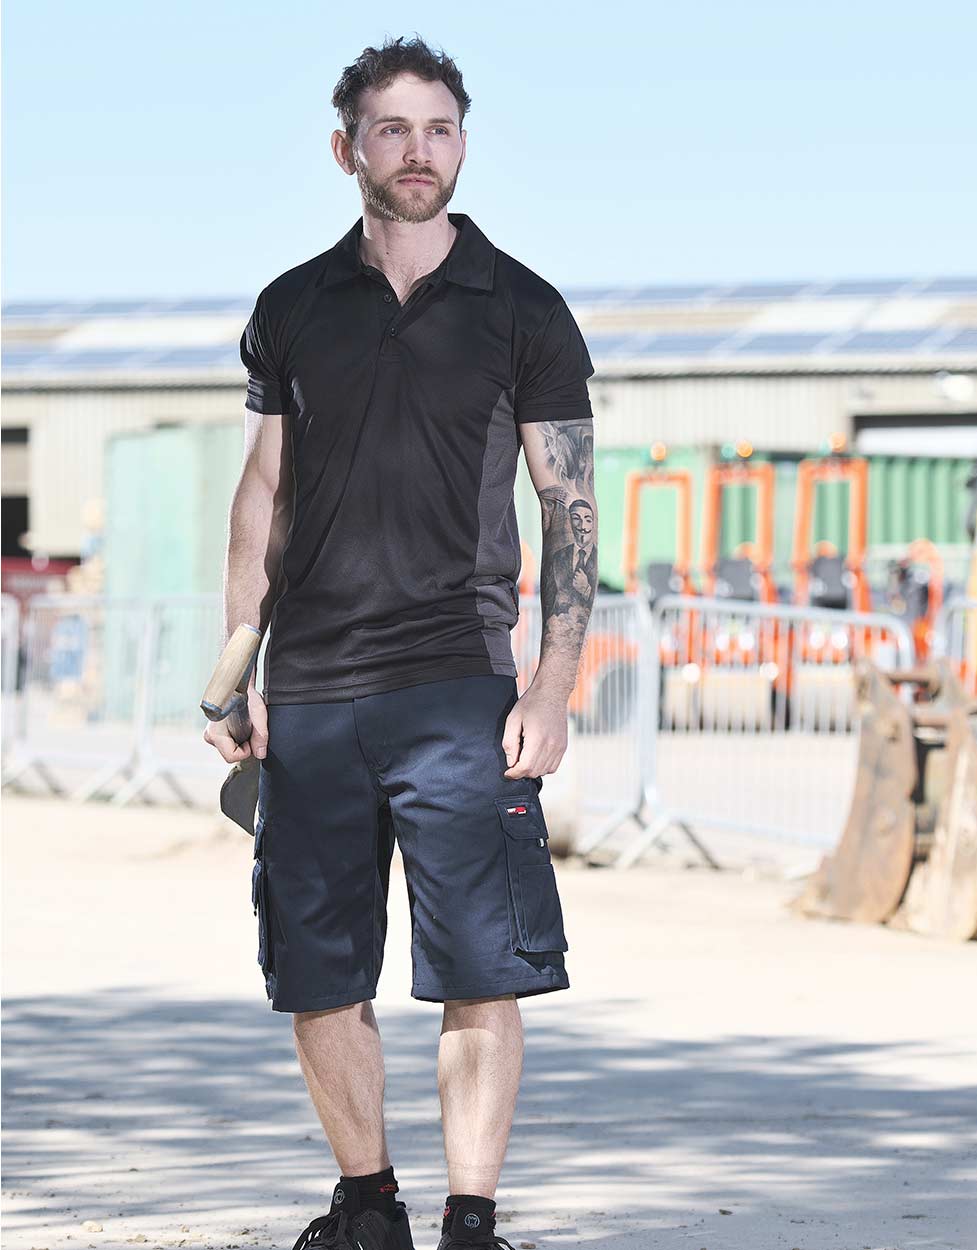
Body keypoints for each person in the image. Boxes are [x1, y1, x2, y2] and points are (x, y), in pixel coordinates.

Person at [205, 34, 598, 1250]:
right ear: (347, 150)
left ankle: (470, 1216)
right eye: (391, 129)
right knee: (317, 971)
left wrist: (553, 679)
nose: (416, 150)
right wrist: (236, 653)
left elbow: (568, 501)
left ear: (462, 145)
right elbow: (265, 485)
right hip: (314, 689)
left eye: (437, 128)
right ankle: (367, 1204)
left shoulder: (523, 308)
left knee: (483, 966)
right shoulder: (292, 307)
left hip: (459, 686)